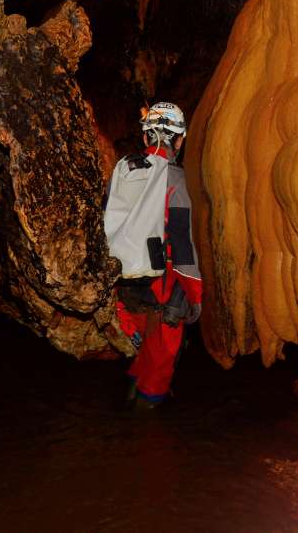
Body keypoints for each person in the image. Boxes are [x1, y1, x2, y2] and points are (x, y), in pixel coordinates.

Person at [103, 102, 202, 409]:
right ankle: (145, 433)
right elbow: (182, 245)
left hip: (125, 283)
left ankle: (127, 410)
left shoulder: (124, 170)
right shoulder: (175, 180)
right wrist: (195, 295)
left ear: (146, 138)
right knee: (161, 363)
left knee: (145, 354)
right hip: (163, 284)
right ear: (180, 140)